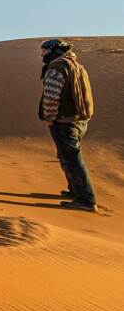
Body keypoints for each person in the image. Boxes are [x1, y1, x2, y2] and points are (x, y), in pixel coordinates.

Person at [38, 39, 96, 212]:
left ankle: (86, 200)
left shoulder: (57, 66)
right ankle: (75, 190)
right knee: (68, 157)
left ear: (54, 51)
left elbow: (51, 95)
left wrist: (49, 117)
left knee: (72, 159)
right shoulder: (76, 65)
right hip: (80, 120)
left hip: (65, 121)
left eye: (44, 51)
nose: (42, 55)